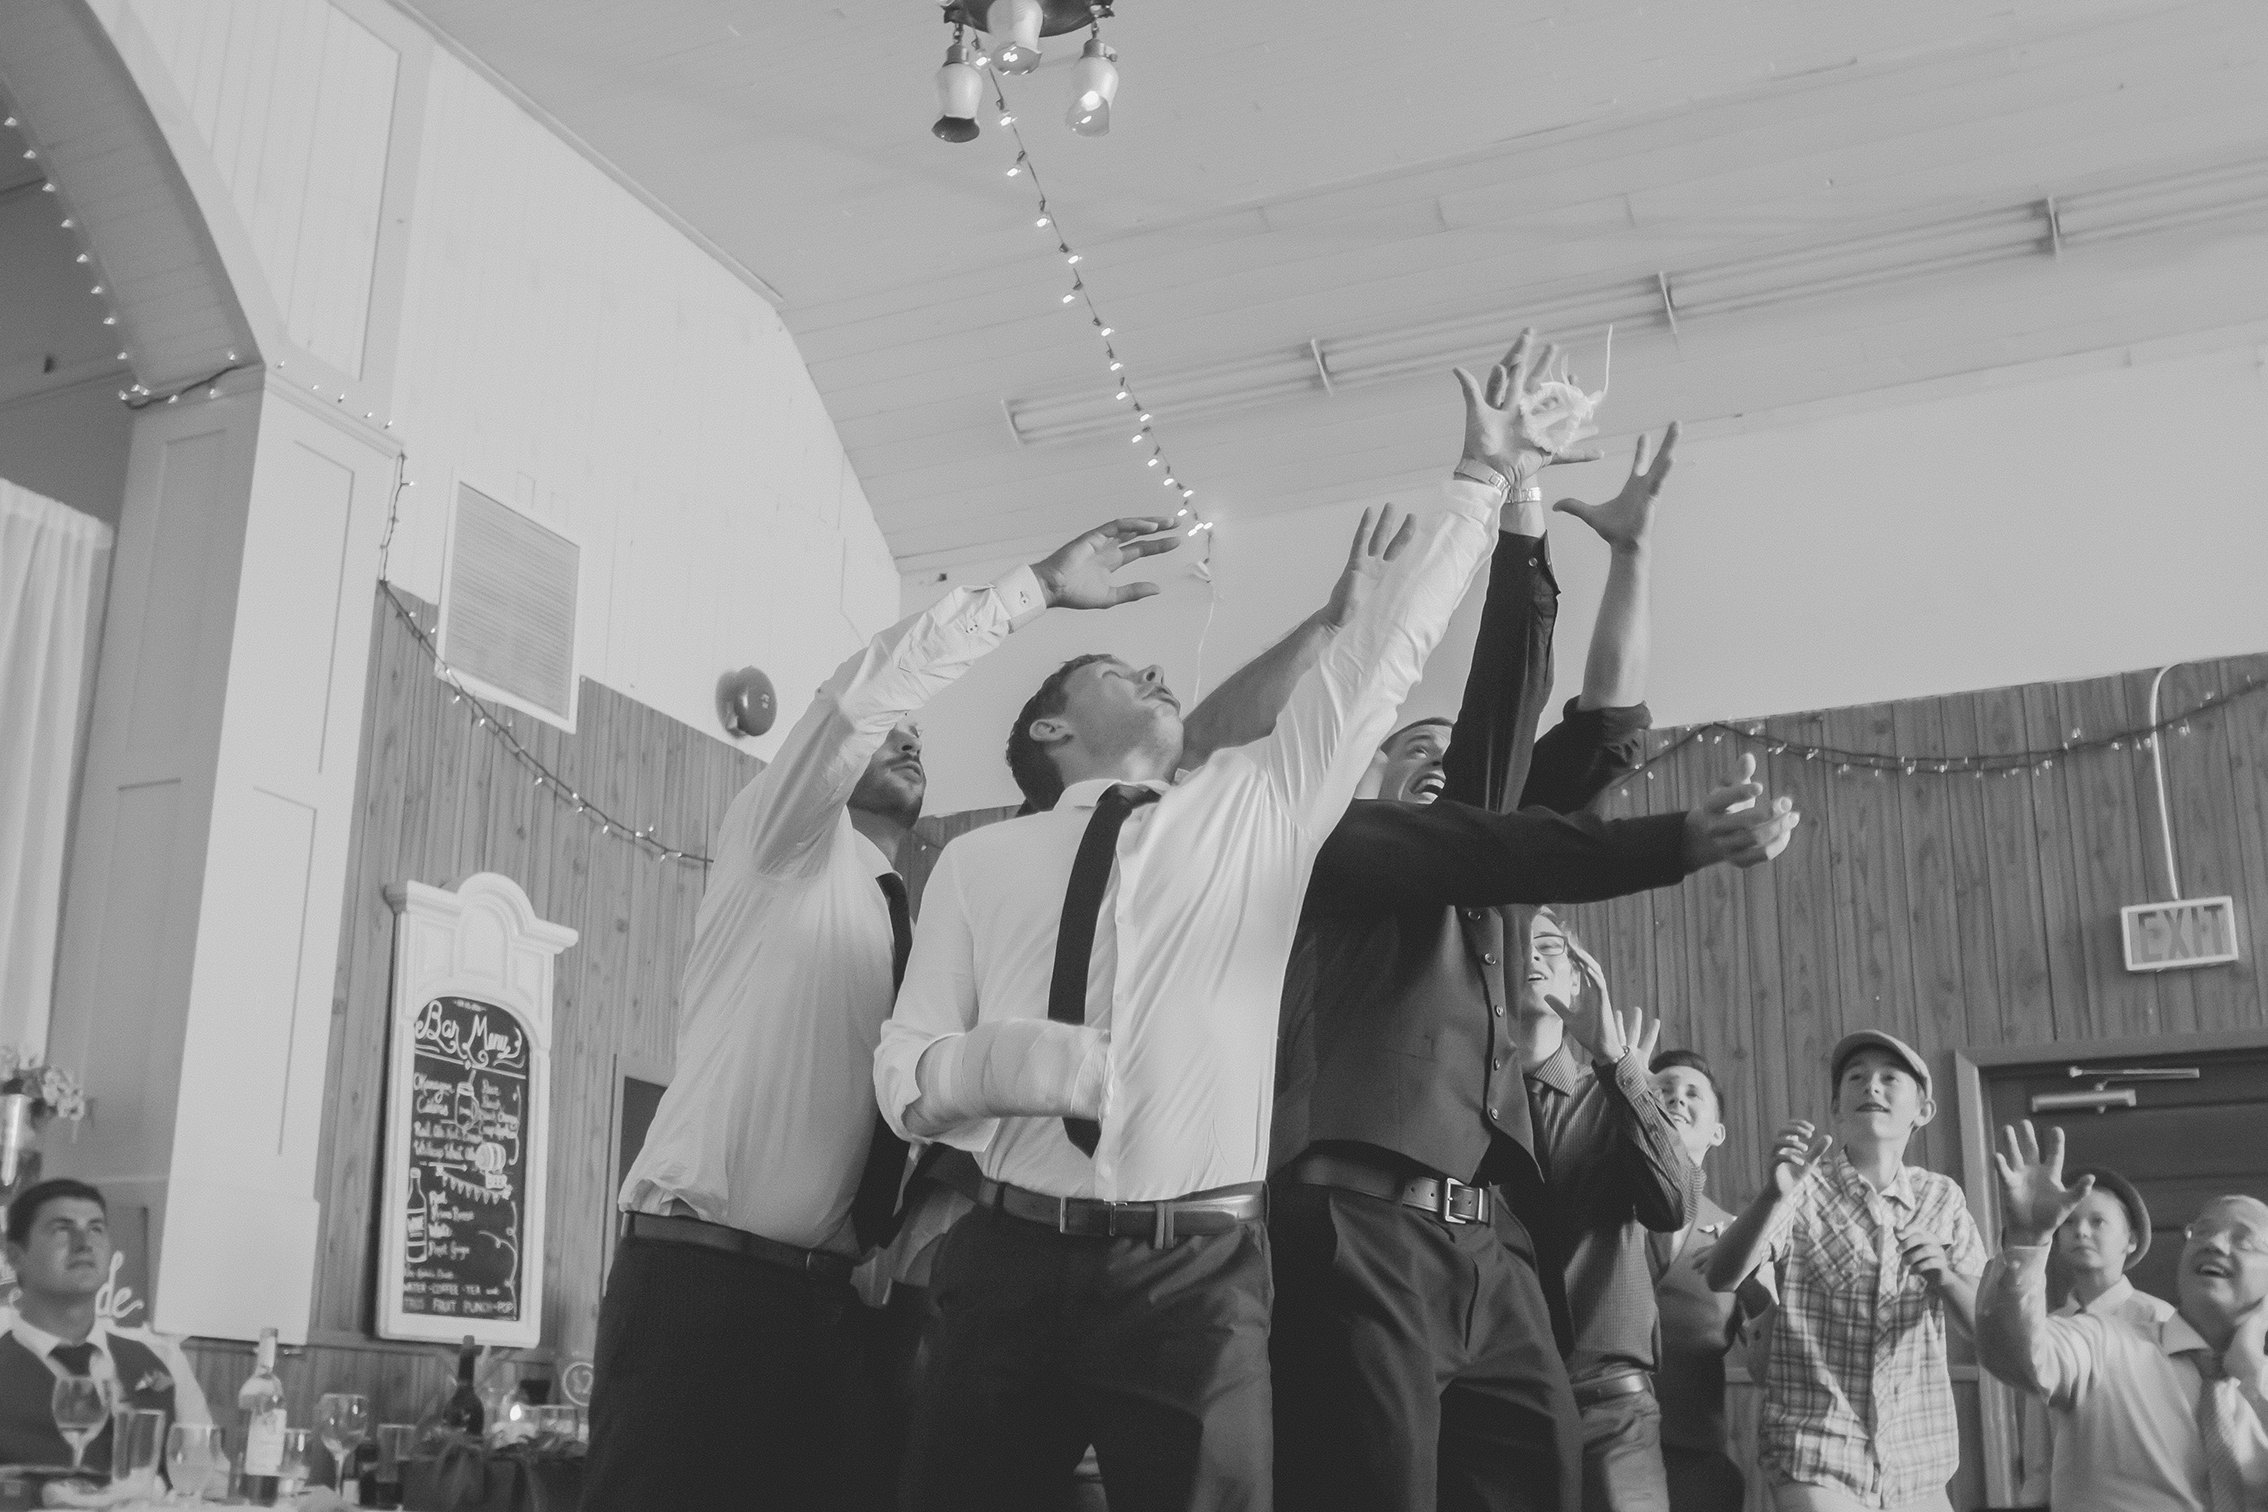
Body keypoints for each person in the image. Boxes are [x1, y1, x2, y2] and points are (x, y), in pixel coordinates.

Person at [873, 343, 1596, 1512]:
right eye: (1120, 669)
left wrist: (1481, 485)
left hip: (1191, 1271)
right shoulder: (979, 864)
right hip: (1009, 1258)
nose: (1155, 671)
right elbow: (902, 1073)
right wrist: (1007, 1066)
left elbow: (1378, 670)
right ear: (1051, 732)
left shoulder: (1240, 825)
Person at [583, 512, 1181, 1511]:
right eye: (894, 733)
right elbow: (863, 700)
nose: (907, 737)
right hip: (703, 1289)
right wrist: (1035, 588)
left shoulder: (929, 915)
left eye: (920, 740)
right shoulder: (779, 849)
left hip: (835, 1315)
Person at [1705, 1030, 1987, 1512]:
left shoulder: (1942, 1197)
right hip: (1815, 1446)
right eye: (1856, 1077)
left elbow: (1983, 1326)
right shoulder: (1802, 1186)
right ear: (1837, 1108)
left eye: (1889, 1078)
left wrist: (1945, 1278)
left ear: (1923, 1111)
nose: (1871, 1085)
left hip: (1918, 1457)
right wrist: (1772, 1196)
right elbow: (1720, 1276)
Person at [1507, 915, 1696, 1512]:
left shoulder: (1616, 1093)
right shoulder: (1463, 1101)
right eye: (1515, 946)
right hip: (1495, 1403)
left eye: (1549, 947)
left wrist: (1617, 1063)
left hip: (1610, 1408)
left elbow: (1674, 1206)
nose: (1531, 957)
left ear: (1578, 977)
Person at [1978, 1120, 2268, 1510]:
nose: (2214, 1243)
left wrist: (2253, 1379)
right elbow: (2013, 1353)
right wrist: (2028, 1243)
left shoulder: (2260, 1385)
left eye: (2244, 1239)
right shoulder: (2101, 1342)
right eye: (2202, 1231)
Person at [0, 1179, 210, 1471]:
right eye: (62, 1229)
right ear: (15, 1256)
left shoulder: (163, 1358)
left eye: (96, 1229)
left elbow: (207, 1478)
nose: (84, 1244)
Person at [1649, 1051, 1768, 1512]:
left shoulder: (1739, 1238)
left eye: (1692, 1092)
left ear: (1717, 1132)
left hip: (1694, 1463)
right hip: (1591, 1444)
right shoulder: (1593, 1211)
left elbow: (1768, 1361)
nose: (1676, 1097)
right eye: (1662, 1088)